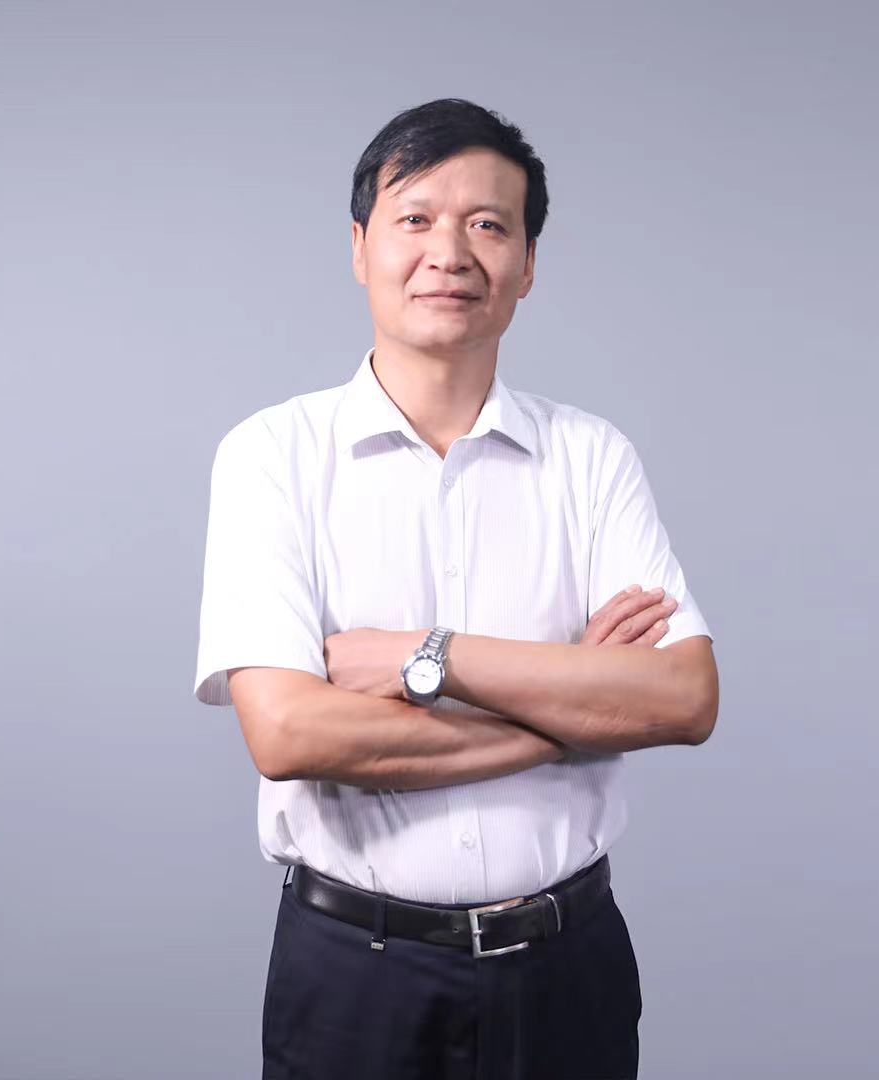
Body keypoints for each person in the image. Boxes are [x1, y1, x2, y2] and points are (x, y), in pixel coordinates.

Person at [191, 98, 720, 1080]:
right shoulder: (273, 456)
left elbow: (685, 700)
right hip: (357, 976)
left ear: (528, 264)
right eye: (416, 218)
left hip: (569, 967)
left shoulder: (592, 458)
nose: (452, 252)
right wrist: (572, 713)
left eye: (489, 224)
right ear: (360, 246)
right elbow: (291, 735)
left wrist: (421, 659)